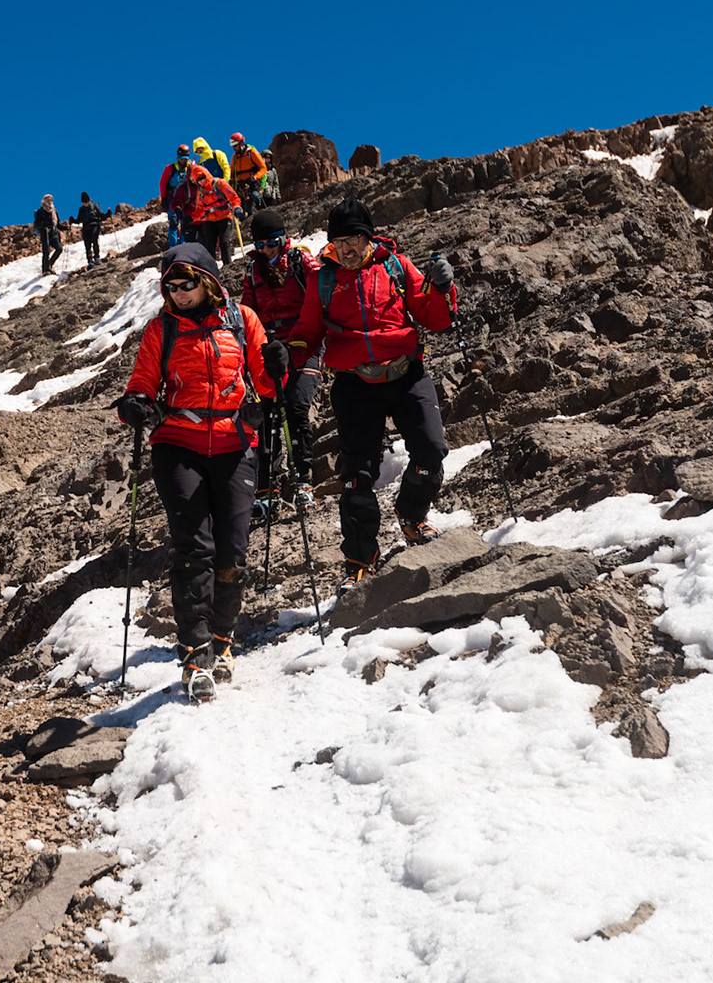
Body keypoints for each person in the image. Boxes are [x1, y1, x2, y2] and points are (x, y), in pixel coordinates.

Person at [114, 243, 286, 701]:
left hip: (235, 443)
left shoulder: (242, 319)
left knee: (232, 550)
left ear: (207, 280)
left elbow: (266, 384)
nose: (177, 293)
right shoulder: (160, 329)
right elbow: (142, 383)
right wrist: (134, 405)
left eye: (185, 283)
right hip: (177, 444)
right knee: (194, 547)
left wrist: (275, 368)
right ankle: (196, 653)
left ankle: (224, 641)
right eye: (169, 286)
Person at [283, 198, 458, 594]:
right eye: (339, 240)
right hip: (354, 384)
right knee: (357, 477)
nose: (346, 248)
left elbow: (435, 318)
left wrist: (444, 288)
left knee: (431, 452)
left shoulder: (395, 266)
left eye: (354, 238)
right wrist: (286, 353)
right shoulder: (322, 280)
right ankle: (360, 561)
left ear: (369, 237)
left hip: (406, 373)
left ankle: (411, 516)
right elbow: (307, 333)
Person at [239, 208, 321, 513]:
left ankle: (304, 479)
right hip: (271, 350)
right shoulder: (252, 272)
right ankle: (267, 486)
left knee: (297, 406)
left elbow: (319, 292)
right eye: (260, 246)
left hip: (304, 345)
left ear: (283, 238)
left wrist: (303, 337)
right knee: (268, 414)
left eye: (272, 243)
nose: (267, 251)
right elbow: (249, 313)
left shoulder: (301, 261)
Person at [184, 163, 241, 268]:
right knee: (210, 245)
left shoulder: (220, 183)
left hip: (225, 216)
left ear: (207, 174)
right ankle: (211, 269)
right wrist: (191, 218)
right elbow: (200, 210)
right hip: (210, 220)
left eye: (202, 178)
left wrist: (236, 207)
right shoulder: (200, 192)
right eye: (198, 180)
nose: (201, 181)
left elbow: (233, 198)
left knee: (224, 242)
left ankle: (228, 267)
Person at [157, 145, 195, 247]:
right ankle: (173, 247)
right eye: (182, 159)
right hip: (172, 200)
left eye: (185, 159)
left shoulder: (190, 168)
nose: (184, 161)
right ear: (178, 157)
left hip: (186, 200)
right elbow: (163, 183)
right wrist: (164, 198)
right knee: (173, 222)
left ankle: (182, 245)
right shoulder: (170, 168)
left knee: (185, 222)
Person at [229, 133, 270, 218]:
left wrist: (256, 176)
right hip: (240, 185)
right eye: (233, 146)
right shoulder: (235, 157)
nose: (234, 148)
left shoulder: (251, 153)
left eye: (235, 146)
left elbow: (263, 168)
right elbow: (232, 172)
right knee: (241, 207)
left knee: (252, 203)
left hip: (252, 182)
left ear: (241, 143)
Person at [75, 192, 109, 269]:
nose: (85, 203)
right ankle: (90, 261)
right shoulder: (81, 209)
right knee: (87, 244)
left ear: (89, 200)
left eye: (86, 201)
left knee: (94, 240)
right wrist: (73, 220)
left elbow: (101, 216)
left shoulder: (95, 206)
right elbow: (79, 220)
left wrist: (107, 214)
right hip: (85, 227)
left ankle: (97, 257)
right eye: (84, 202)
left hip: (95, 225)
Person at [33, 194, 64, 274]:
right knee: (46, 251)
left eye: (51, 199)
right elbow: (37, 223)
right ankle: (45, 270)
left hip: (53, 232)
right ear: (44, 201)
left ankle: (49, 265)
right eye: (48, 199)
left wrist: (65, 228)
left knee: (59, 248)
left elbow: (58, 224)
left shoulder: (54, 211)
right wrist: (43, 224)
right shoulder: (40, 211)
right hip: (44, 232)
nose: (50, 201)